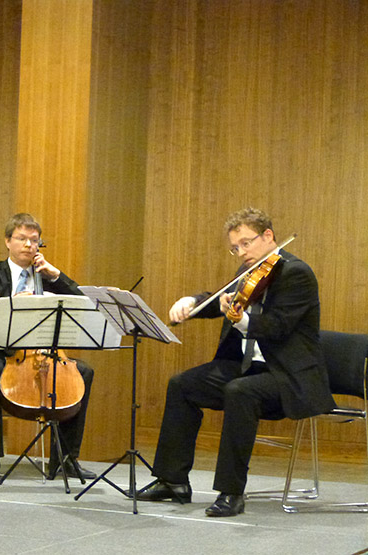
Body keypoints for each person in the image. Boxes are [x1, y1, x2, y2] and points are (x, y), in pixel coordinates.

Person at [137, 207, 335, 516]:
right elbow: (221, 298)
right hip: (248, 368)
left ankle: (231, 492)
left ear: (268, 236)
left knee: (241, 391)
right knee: (182, 385)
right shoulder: (252, 271)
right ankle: (172, 480)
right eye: (235, 247)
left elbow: (277, 327)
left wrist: (241, 320)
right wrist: (191, 302)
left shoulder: (296, 273)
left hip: (287, 377)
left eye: (246, 243)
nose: (241, 252)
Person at [0, 213, 97, 481]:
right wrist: (11, 302)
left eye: (34, 240)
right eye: (21, 239)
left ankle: (66, 459)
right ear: (8, 242)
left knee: (85, 372)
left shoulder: (45, 275)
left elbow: (82, 303)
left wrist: (57, 276)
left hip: (43, 352)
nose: (28, 245)